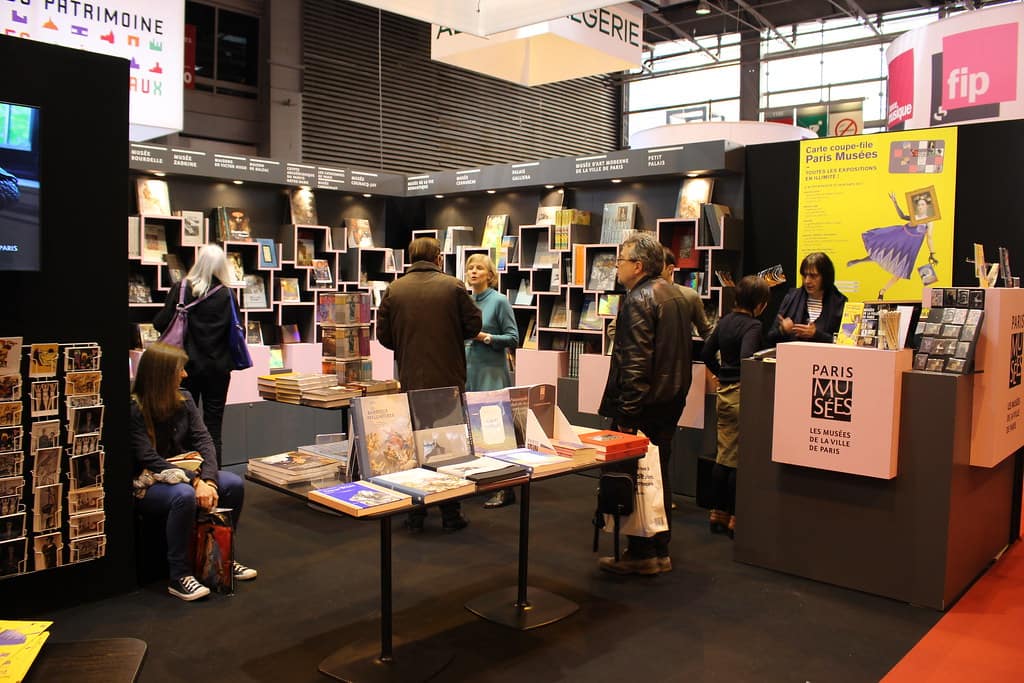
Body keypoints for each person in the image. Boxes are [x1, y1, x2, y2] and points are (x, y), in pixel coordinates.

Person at [129, 342, 257, 602]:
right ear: (162, 374)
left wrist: (208, 479)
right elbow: (149, 458)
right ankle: (180, 575)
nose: (185, 375)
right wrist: (195, 481)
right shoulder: (134, 409)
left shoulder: (184, 398)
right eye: (180, 370)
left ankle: (223, 557)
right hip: (149, 484)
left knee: (232, 483)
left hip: (189, 475)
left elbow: (204, 441)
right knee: (183, 495)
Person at [597, 232, 691, 576]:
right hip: (669, 403)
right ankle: (659, 548)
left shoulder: (639, 299)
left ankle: (641, 552)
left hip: (644, 406)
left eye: (620, 260)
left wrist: (626, 416)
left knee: (635, 478)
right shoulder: (674, 294)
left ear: (637, 266)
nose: (616, 266)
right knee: (658, 475)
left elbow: (636, 363)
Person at [377, 237, 482, 533]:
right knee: (449, 445)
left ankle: (416, 512)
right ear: (438, 257)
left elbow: (384, 336)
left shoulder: (394, 289)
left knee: (414, 445)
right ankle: (451, 511)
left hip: (411, 378)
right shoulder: (453, 286)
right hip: (448, 378)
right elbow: (473, 325)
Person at [154, 244, 236, 467]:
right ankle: (213, 478)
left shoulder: (181, 288)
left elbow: (160, 323)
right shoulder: (227, 294)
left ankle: (188, 473)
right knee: (213, 427)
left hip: (184, 369)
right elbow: (236, 331)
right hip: (218, 370)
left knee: (183, 426)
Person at [701, 276, 770, 540]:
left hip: (724, 395)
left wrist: (721, 375)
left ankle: (717, 512)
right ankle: (734, 516)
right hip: (742, 394)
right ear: (760, 304)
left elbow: (706, 353)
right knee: (736, 459)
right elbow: (747, 359)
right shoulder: (753, 326)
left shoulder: (725, 321)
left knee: (723, 454)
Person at [464, 253, 521, 509]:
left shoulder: (499, 302)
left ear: (490, 275)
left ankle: (505, 488)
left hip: (492, 371)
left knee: (495, 430)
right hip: (468, 370)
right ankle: (485, 480)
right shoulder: (466, 301)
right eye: (470, 268)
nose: (474, 272)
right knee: (473, 429)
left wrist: (485, 337)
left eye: (479, 268)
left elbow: (513, 338)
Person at [845, 191, 939, 299]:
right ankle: (859, 261)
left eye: (923, 204)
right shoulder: (916, 216)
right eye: (919, 204)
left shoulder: (929, 220)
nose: (921, 206)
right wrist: (895, 202)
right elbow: (902, 216)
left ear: (927, 206)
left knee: (900, 271)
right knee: (884, 252)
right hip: (900, 237)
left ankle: (882, 291)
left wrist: (932, 253)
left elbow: (930, 237)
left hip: (910, 247)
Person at [766, 252, 846, 345]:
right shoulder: (791, 297)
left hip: (825, 358)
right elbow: (769, 338)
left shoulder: (839, 303)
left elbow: (845, 342)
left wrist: (817, 335)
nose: (807, 281)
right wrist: (782, 330)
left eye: (813, 276)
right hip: (793, 356)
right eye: (804, 275)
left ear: (825, 277)